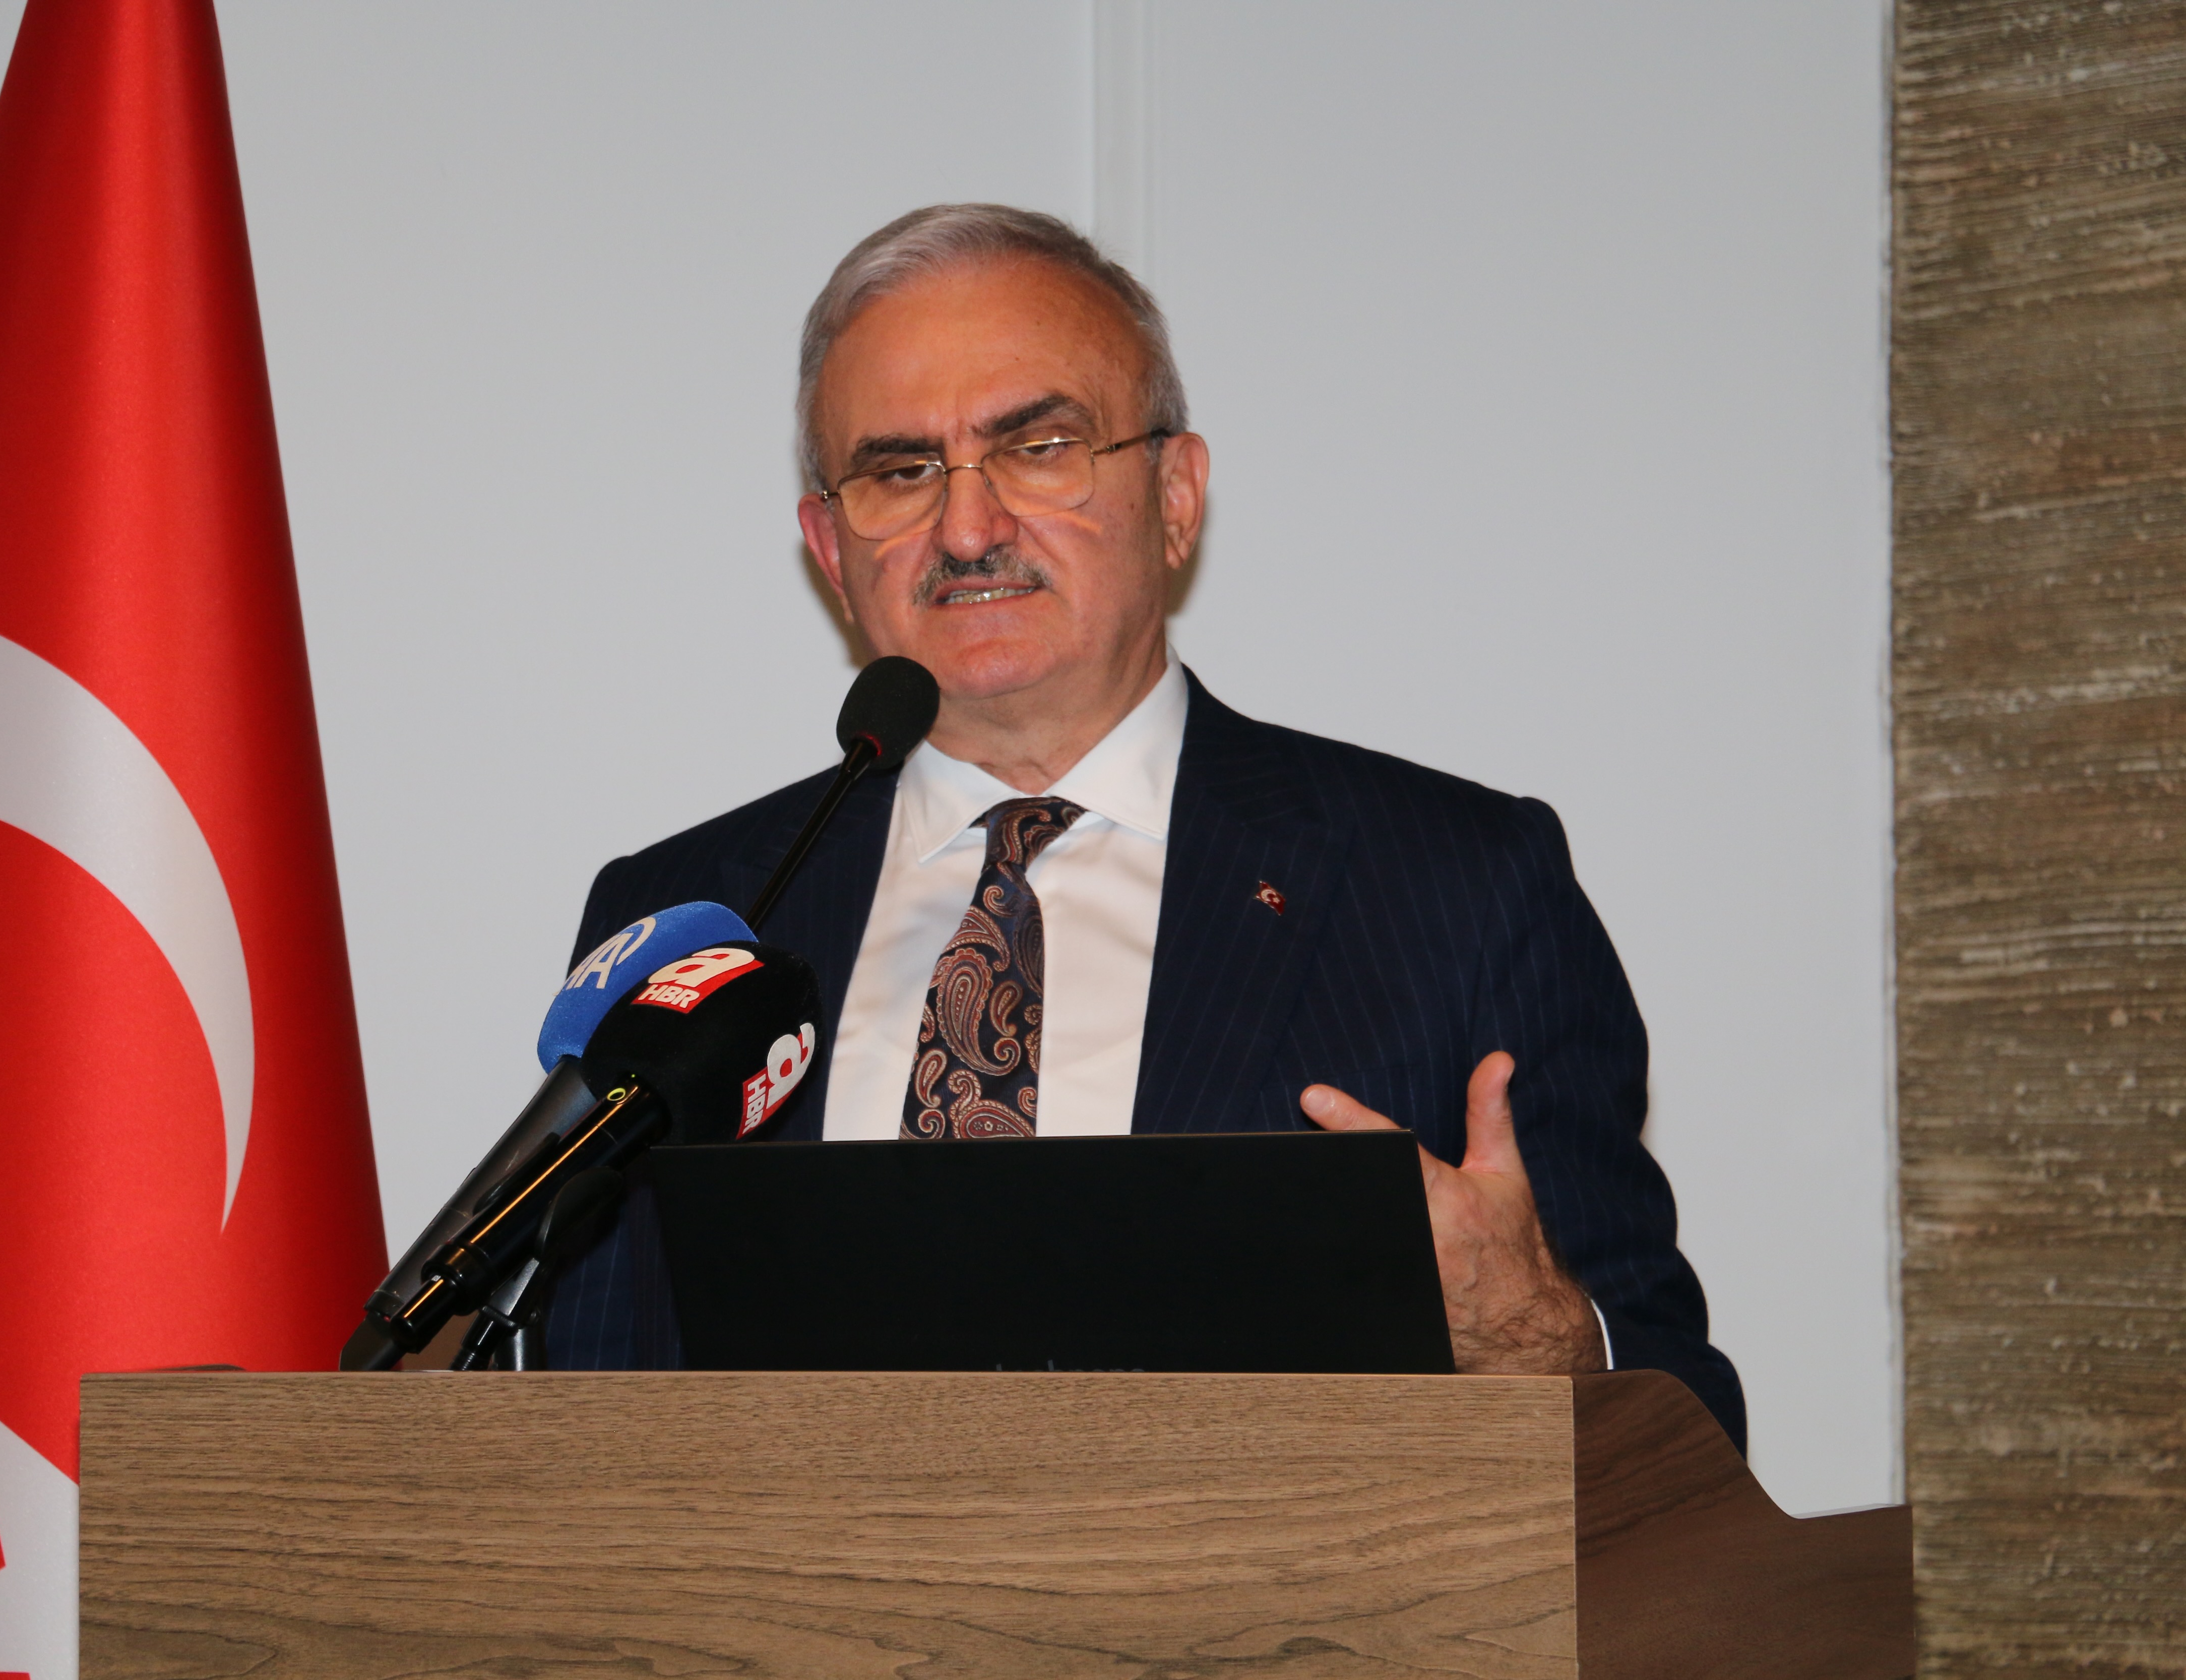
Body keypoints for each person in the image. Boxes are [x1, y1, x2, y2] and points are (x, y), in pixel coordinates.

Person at [546, 204, 1742, 1445]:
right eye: (901, 472)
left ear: (1176, 496)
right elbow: (574, 1417)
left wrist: (1532, 1340)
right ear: (830, 548)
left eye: (1038, 447)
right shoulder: (693, 920)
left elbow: (1689, 1438)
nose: (967, 528)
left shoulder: (1459, 889)